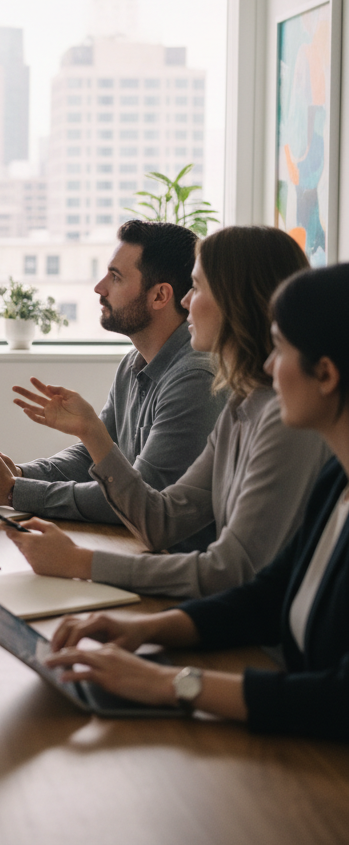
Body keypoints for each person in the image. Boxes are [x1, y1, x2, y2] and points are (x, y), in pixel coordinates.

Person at [41, 263, 349, 739]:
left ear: (326, 374)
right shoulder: (336, 479)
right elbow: (266, 596)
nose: (270, 364)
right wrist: (145, 630)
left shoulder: (283, 432)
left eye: (282, 348)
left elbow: (337, 698)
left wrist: (171, 683)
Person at [3, 225, 328, 598]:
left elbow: (231, 568)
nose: (187, 301)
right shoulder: (241, 404)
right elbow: (160, 520)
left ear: (237, 301)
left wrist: (79, 561)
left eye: (198, 287)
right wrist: (90, 434)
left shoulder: (276, 416)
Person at [0, 220, 225, 550]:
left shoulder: (196, 378)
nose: (100, 288)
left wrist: (13, 491)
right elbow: (95, 458)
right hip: (133, 547)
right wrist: (21, 473)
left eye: (116, 277)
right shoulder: (134, 361)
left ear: (159, 295)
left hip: (170, 564)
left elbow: (138, 499)